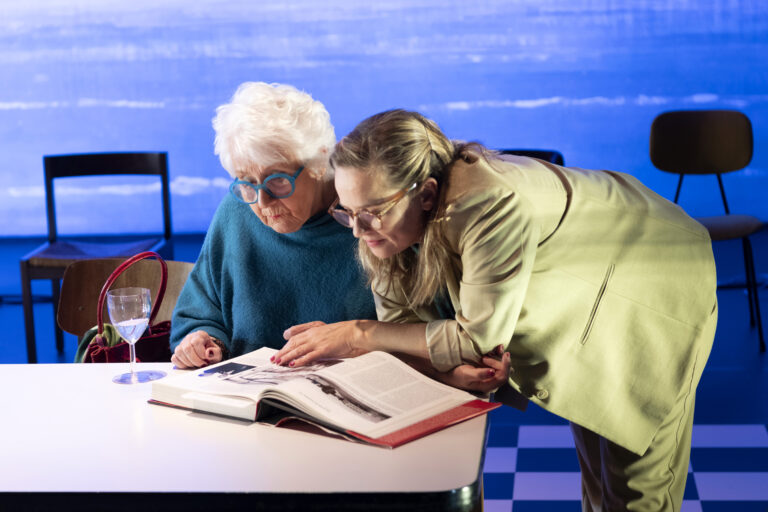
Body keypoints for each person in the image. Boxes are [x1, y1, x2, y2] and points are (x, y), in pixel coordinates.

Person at [273, 109, 718, 510]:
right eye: (347, 213)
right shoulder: (381, 223)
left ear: (426, 195)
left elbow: (473, 337)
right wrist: (445, 372)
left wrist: (358, 335)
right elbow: (404, 330)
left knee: (637, 494)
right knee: (602, 483)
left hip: (653, 279)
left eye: (370, 213)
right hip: (589, 285)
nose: (357, 230)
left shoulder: (488, 201)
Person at [169, 82, 378, 369]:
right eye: (246, 182)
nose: (262, 202)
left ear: (319, 161)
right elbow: (200, 313)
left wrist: (358, 340)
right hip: (249, 401)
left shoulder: (371, 218)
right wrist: (205, 342)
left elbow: (423, 331)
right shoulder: (237, 211)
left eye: (277, 180)